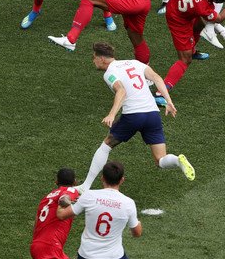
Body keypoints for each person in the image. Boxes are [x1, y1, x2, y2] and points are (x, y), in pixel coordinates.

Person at [75, 42, 194, 194]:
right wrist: (168, 101)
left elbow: (121, 91)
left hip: (133, 116)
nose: (93, 61)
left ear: (102, 59)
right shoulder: (135, 62)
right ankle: (178, 161)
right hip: (152, 115)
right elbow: (157, 78)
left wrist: (111, 114)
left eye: (94, 57)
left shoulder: (109, 73)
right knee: (160, 159)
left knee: (106, 145)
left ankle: (85, 187)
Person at [153, 0, 225, 106]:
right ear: (216, 0)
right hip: (177, 20)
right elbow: (219, 18)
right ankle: (160, 93)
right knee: (185, 60)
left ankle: (193, 50)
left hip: (179, 9)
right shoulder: (204, 7)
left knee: (201, 23)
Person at [57, 161, 143, 259]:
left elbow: (62, 215)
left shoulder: (89, 196)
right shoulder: (128, 203)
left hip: (88, 256)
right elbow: (137, 233)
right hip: (114, 256)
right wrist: (138, 223)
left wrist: (61, 203)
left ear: (102, 177)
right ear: (122, 180)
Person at [31, 168, 81, 259]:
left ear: (56, 181)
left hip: (43, 245)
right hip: (50, 248)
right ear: (75, 182)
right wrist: (68, 200)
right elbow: (64, 198)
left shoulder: (46, 198)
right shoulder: (70, 191)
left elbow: (36, 224)